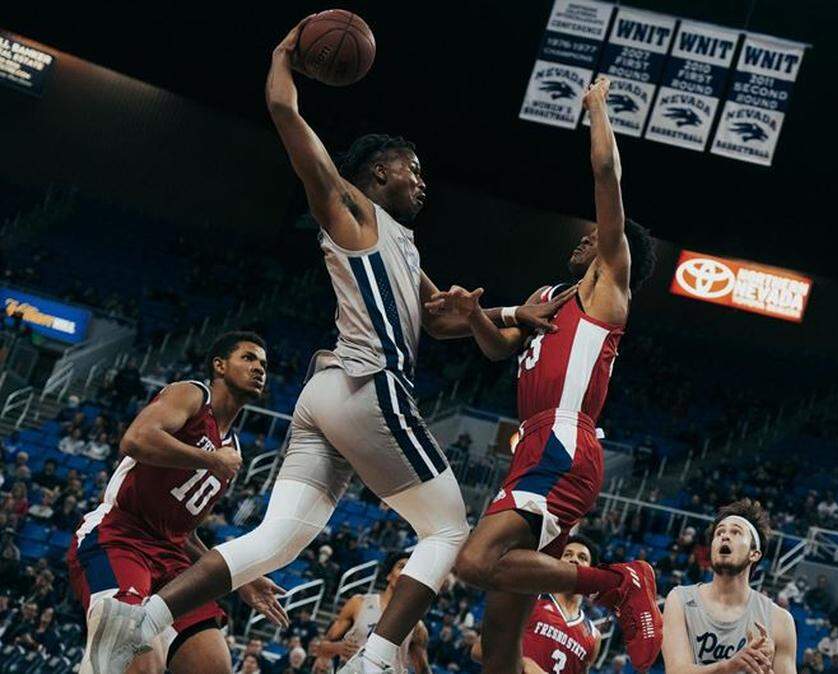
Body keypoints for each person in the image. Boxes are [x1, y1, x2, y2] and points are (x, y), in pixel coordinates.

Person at [86, 21, 568, 674]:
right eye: (412, 169)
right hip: (369, 383)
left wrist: (509, 311)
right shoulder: (349, 208)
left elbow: (443, 317)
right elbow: (286, 113)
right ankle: (373, 661)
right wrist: (285, 55)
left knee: (280, 539)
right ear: (377, 172)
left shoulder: (402, 240)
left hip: (326, 395)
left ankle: (143, 619)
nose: (423, 181)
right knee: (450, 529)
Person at [444, 76, 660, 673]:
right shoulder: (548, 295)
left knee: (471, 563)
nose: (587, 235)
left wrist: (596, 109)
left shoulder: (607, 287)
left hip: (564, 438)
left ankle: (618, 583)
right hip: (535, 442)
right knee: (497, 643)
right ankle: (610, 583)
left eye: (596, 236)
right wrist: (475, 317)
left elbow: (606, 180)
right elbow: (496, 349)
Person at [70, 332, 286, 674]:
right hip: (120, 536)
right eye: (248, 358)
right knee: (138, 662)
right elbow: (135, 440)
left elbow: (184, 535)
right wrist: (210, 460)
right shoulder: (193, 394)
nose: (259, 368)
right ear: (219, 365)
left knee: (214, 666)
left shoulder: (234, 451)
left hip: (171, 559)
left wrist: (241, 578)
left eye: (263, 363)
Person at [662, 499, 797, 674]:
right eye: (719, 533)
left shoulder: (779, 621)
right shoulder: (680, 599)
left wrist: (765, 670)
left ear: (754, 554)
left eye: (736, 532)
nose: (724, 536)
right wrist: (730, 666)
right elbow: (675, 672)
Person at [469, 538, 600, 674]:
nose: (574, 559)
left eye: (582, 557)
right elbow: (479, 649)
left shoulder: (593, 637)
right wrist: (523, 663)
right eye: (567, 554)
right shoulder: (527, 599)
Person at [317, 556, 430, 674]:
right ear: (389, 575)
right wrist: (339, 647)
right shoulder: (359, 603)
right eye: (401, 567)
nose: (406, 572)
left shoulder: (416, 626)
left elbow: (423, 670)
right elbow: (321, 648)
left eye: (411, 569)